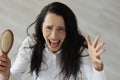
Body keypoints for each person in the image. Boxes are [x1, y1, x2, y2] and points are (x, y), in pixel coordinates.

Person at [0, 2, 106, 80]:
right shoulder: (31, 44)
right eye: (49, 28)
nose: (54, 36)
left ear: (69, 30)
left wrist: (98, 68)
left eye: (61, 29)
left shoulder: (78, 47)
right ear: (41, 27)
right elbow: (14, 76)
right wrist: (5, 75)